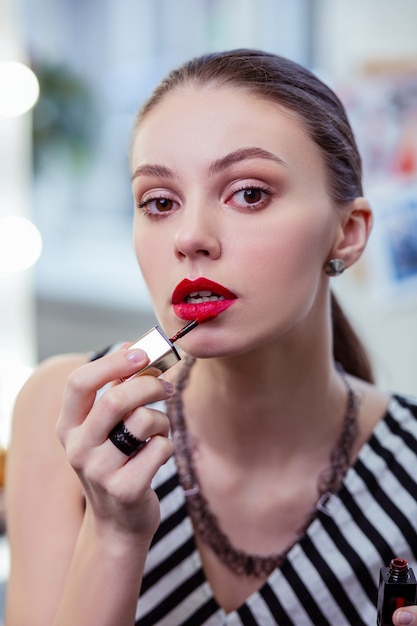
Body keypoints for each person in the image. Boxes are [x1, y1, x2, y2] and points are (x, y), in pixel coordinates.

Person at [5, 49, 417, 626]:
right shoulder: (66, 414)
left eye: (249, 193)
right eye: (159, 202)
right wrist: (115, 534)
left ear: (346, 233)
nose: (190, 236)